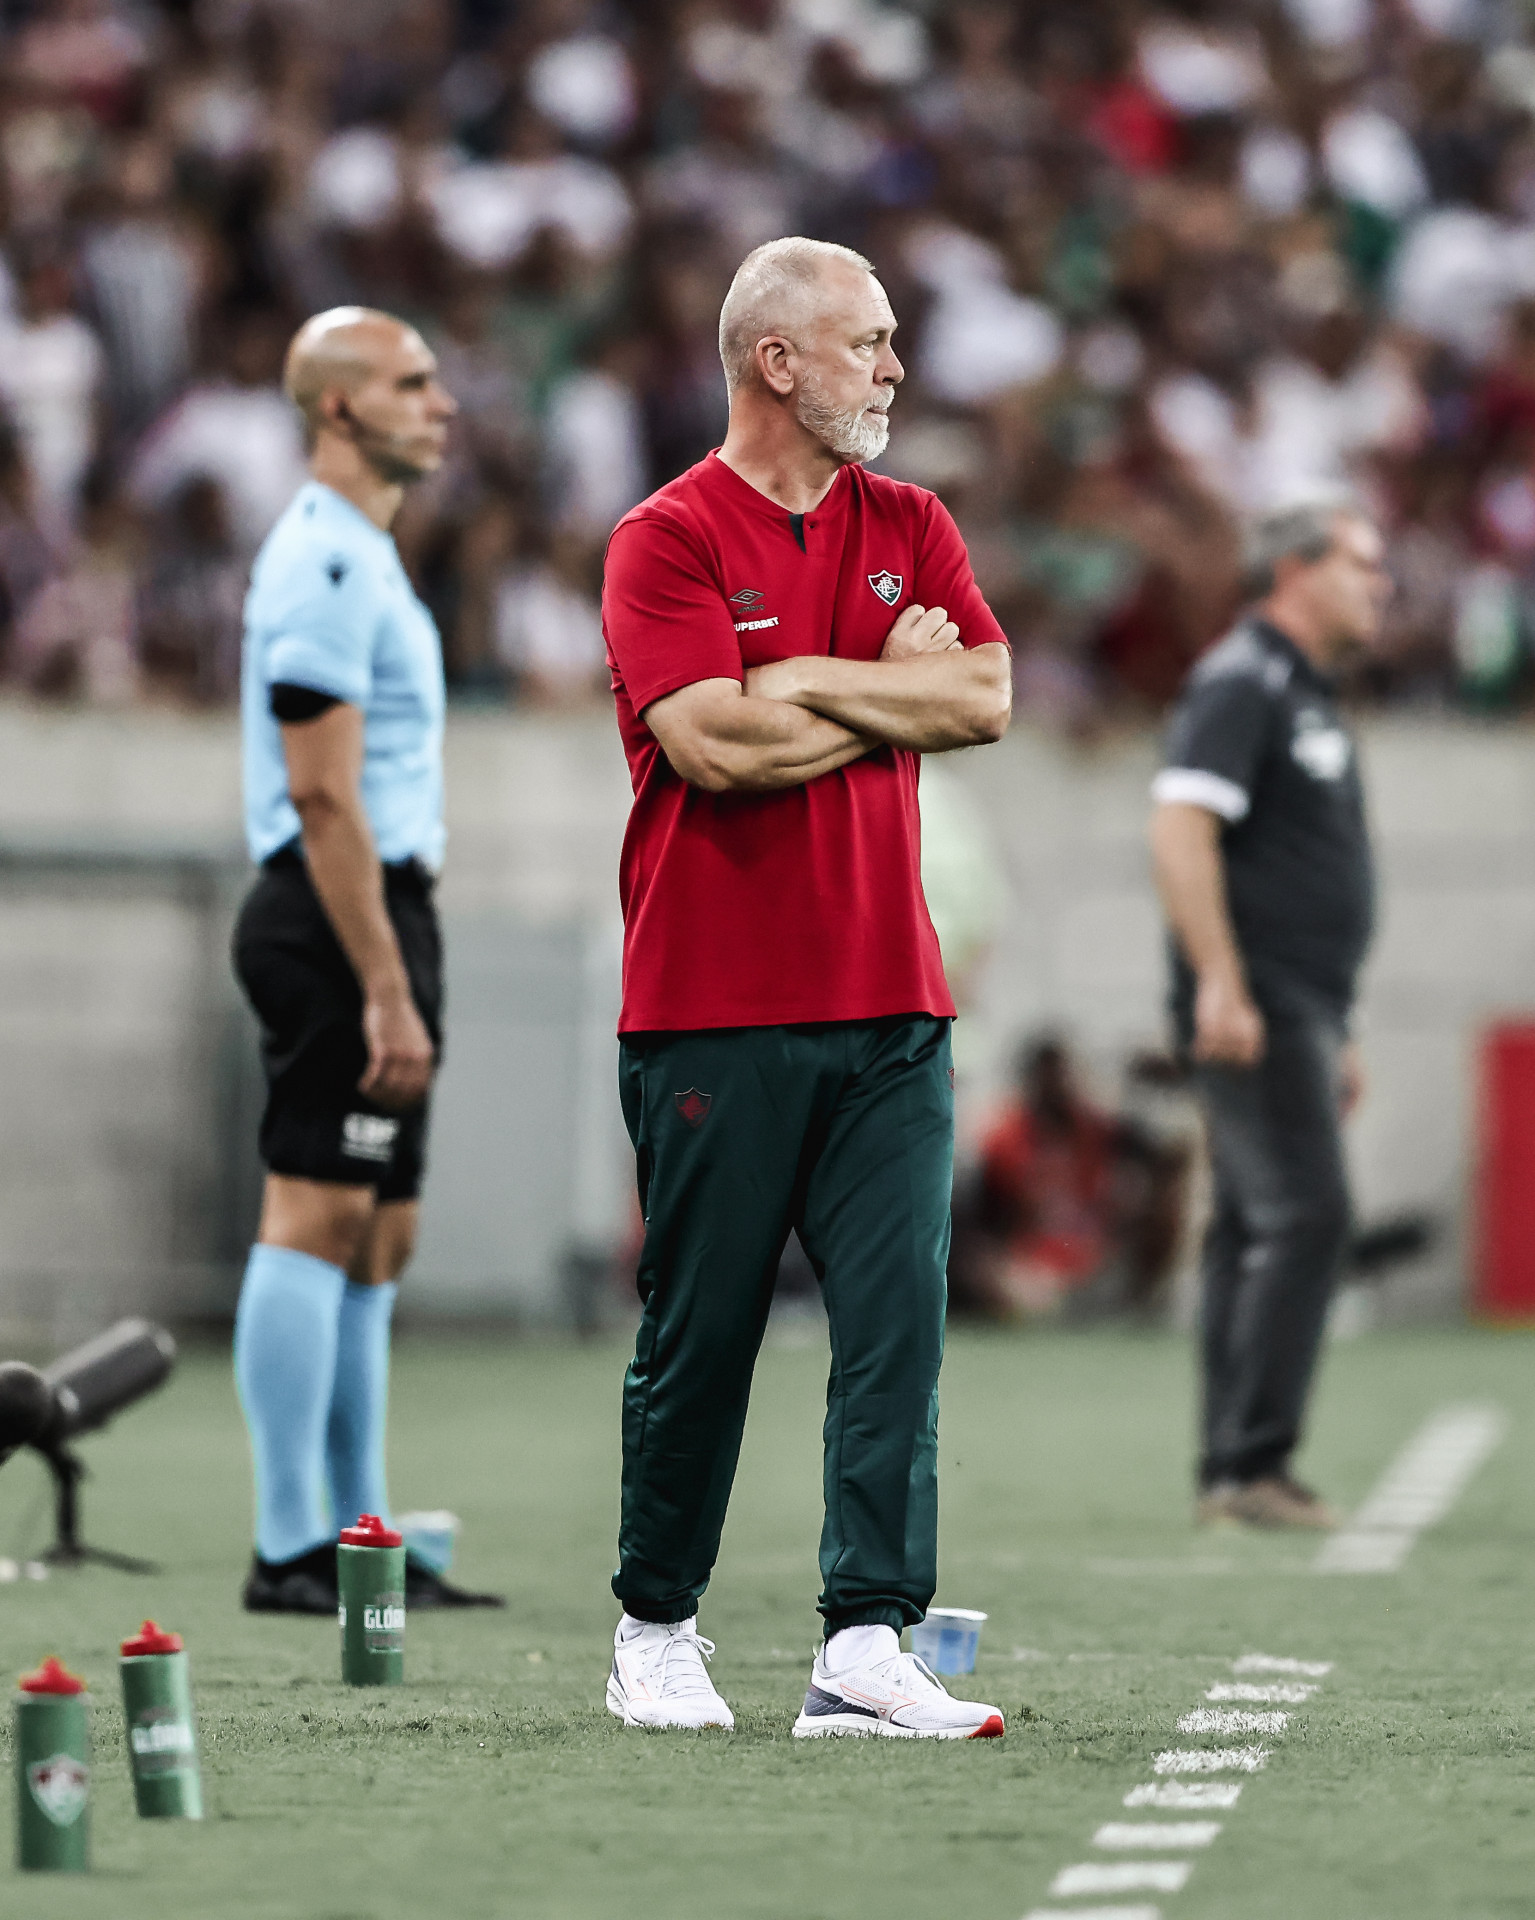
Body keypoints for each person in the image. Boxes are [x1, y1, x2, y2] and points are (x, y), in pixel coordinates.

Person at [600, 236, 1013, 1738]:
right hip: (708, 1003)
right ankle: (653, 1624)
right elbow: (712, 747)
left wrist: (803, 682)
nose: (895, 367)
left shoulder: (911, 517)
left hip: (892, 1005)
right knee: (699, 1336)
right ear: (776, 361)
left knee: (897, 1327)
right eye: (870, 342)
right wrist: (875, 686)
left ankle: (862, 1642)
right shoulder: (664, 537)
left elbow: (982, 692)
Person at [231, 306, 499, 1612]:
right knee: (316, 1211)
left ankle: (360, 1536)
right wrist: (384, 982)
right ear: (339, 408)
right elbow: (322, 798)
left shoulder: (368, 557)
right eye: (410, 383)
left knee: (378, 1233)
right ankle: (289, 1545)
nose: (439, 404)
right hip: (334, 916)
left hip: (386, 911)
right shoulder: (326, 566)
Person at [1149, 491, 1390, 1530]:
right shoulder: (1242, 679)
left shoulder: (1296, 688)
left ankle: (1229, 1466)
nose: (1377, 584)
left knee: (1252, 1221)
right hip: (1252, 1000)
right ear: (1292, 570)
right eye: (1358, 563)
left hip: (1294, 1003)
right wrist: (1219, 979)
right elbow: (1178, 827)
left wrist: (1335, 1023)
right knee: (1305, 1214)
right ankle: (1251, 1465)